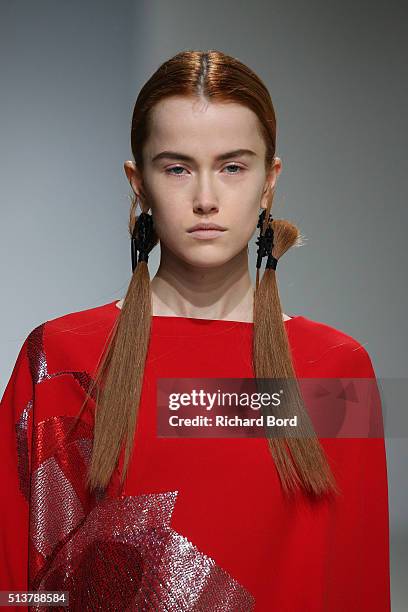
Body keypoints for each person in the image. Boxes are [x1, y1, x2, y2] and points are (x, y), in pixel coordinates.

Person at [0, 49, 390, 611]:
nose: (206, 198)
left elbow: (356, 582)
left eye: (233, 166)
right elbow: (14, 580)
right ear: (139, 183)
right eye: (177, 167)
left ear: (269, 182)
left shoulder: (333, 369)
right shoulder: (62, 357)